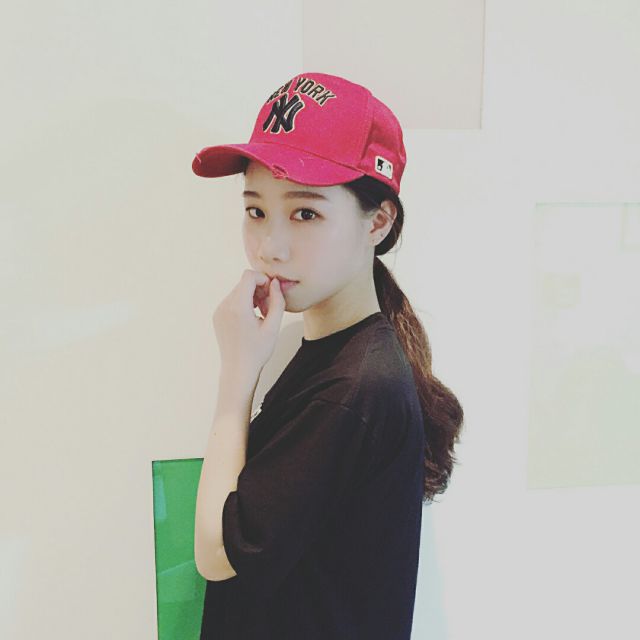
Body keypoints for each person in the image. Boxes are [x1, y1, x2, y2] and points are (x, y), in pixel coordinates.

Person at [191, 71, 464, 639]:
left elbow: (218, 554)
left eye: (305, 213)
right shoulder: (339, 355)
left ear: (378, 221)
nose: (270, 247)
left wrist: (236, 375)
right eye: (256, 211)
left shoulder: (353, 387)